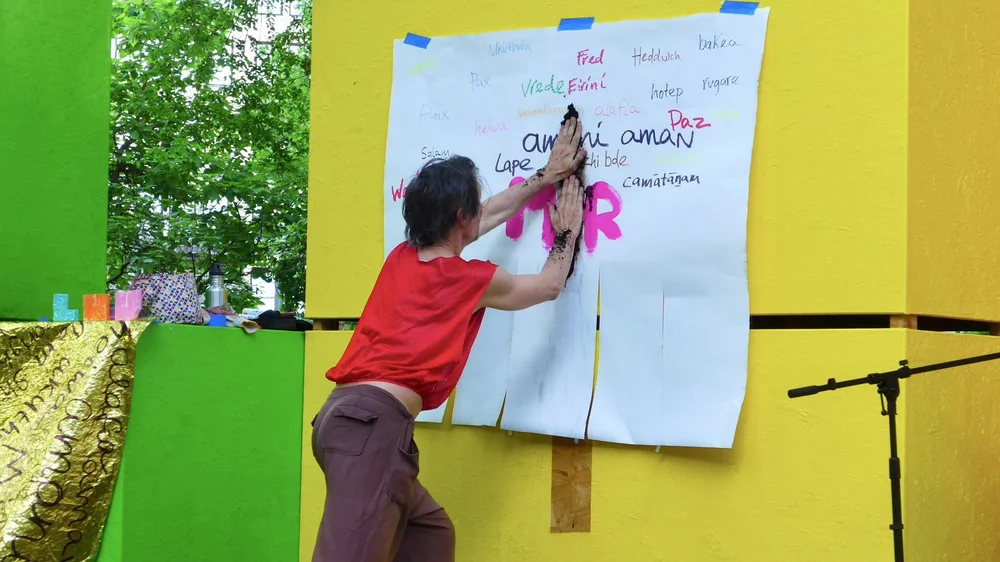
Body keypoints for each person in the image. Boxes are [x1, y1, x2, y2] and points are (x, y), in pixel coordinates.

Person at [310, 117, 587, 562]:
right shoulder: (468, 280)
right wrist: (568, 230)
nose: (481, 211)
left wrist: (546, 176)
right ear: (461, 217)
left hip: (345, 419)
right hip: (372, 429)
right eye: (473, 206)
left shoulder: (402, 258)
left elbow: (488, 214)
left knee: (429, 536)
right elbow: (548, 285)